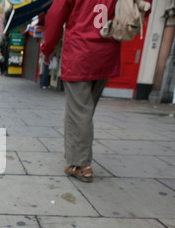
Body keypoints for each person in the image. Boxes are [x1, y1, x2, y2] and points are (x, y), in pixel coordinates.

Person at [40, 0, 150, 183]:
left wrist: (48, 48)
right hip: (106, 52)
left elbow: (55, 15)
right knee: (85, 110)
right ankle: (75, 156)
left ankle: (82, 164)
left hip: (79, 54)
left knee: (79, 112)